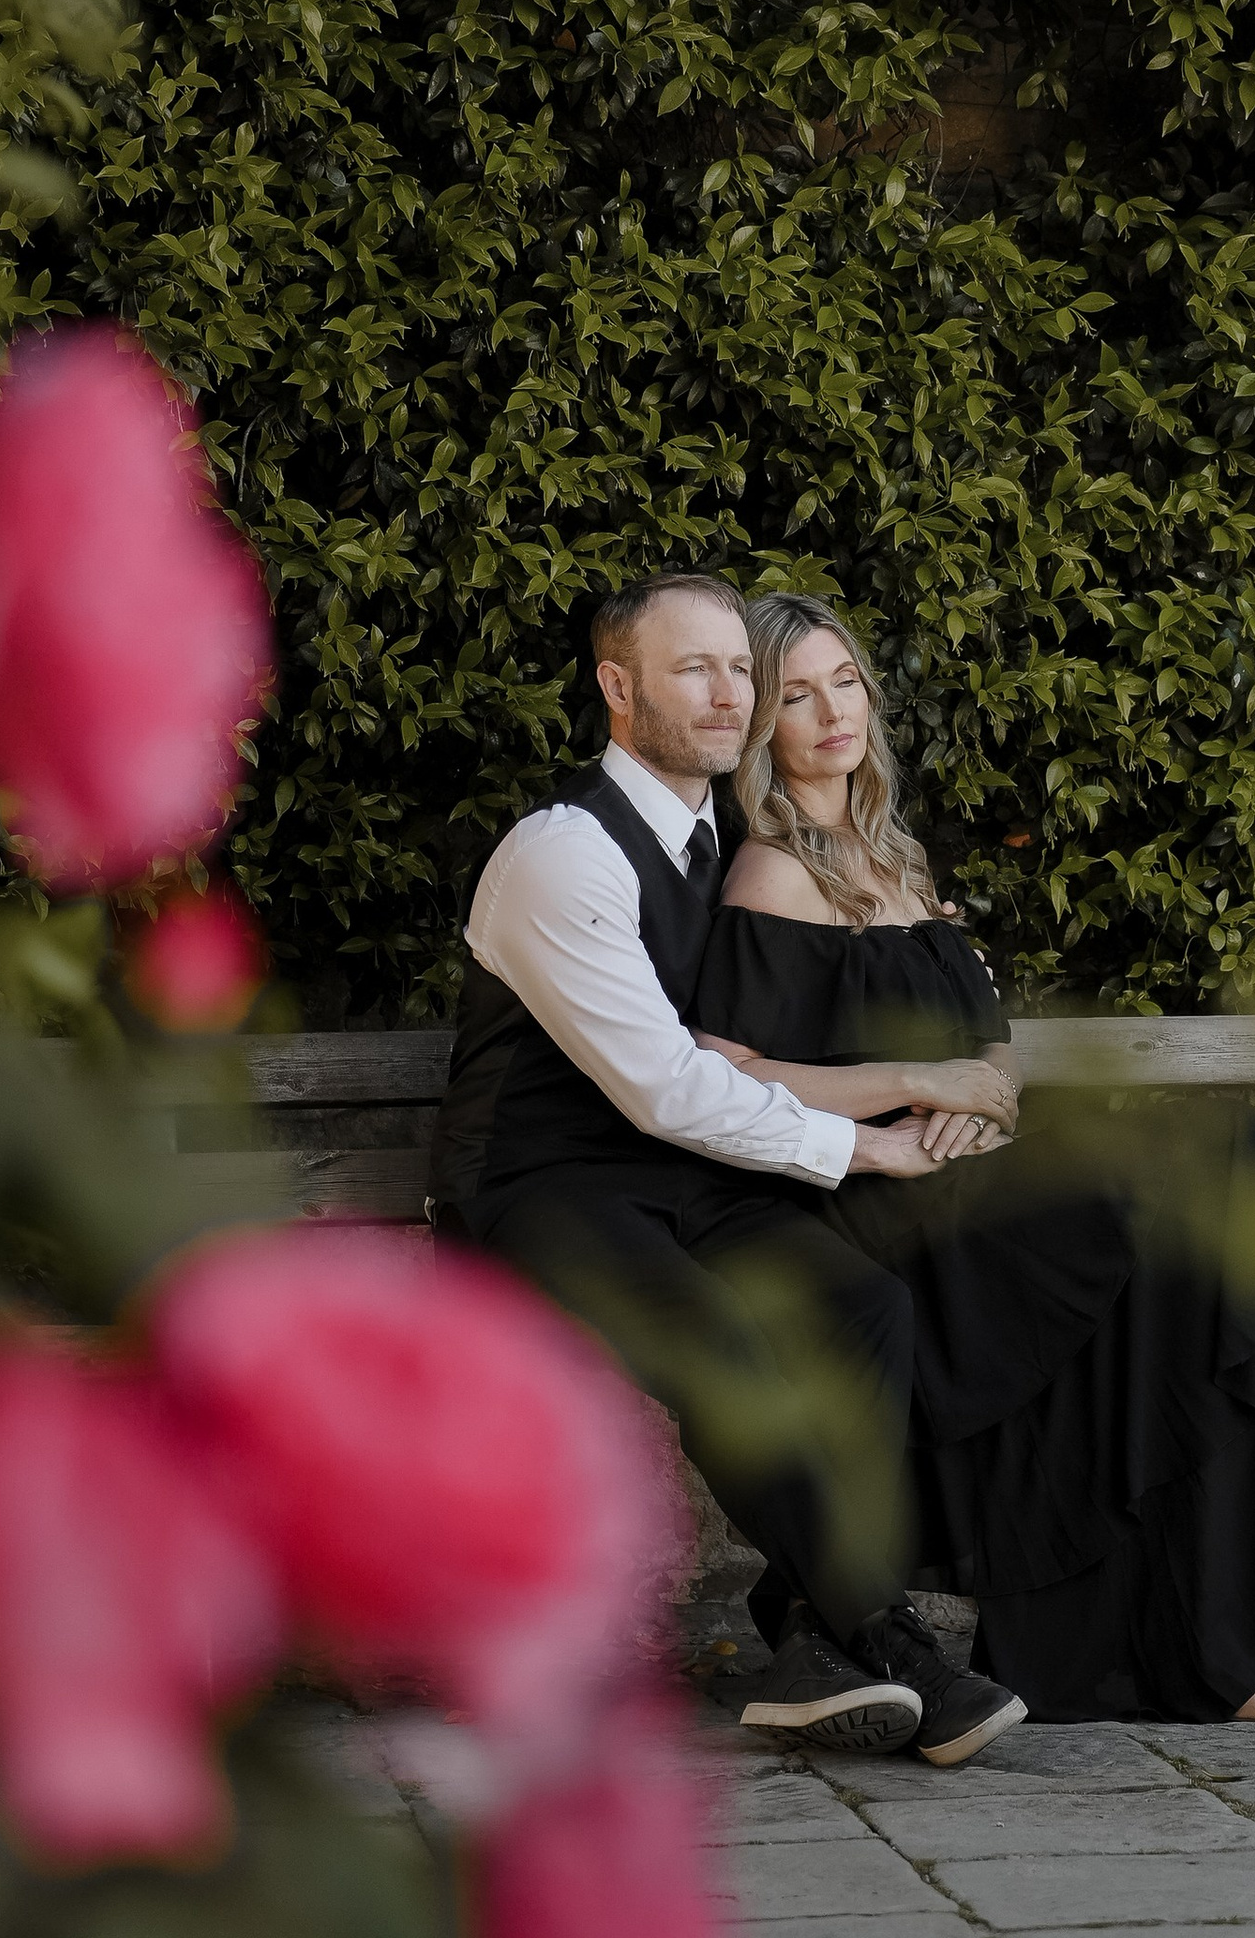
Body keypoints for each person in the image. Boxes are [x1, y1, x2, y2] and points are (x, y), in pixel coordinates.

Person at [688, 590, 1255, 1726]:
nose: (830, 711)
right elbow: (730, 1071)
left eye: (844, 681)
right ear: (760, 729)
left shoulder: (897, 860)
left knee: (1192, 1281)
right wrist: (909, 1095)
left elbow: (988, 1056)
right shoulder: (771, 876)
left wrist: (978, 1103)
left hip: (974, 1182)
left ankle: (1182, 1656)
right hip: (887, 1221)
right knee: (1217, 1150)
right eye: (796, 693)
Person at [429, 572, 1030, 1767]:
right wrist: (870, 1143)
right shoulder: (562, 853)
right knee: (724, 1342)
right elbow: (664, 1083)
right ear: (618, 687)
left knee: (861, 1304)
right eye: (690, 668)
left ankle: (813, 1637)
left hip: (683, 1182)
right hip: (540, 1192)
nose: (726, 692)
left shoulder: (724, 846)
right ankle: (887, 1638)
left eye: (736, 669)